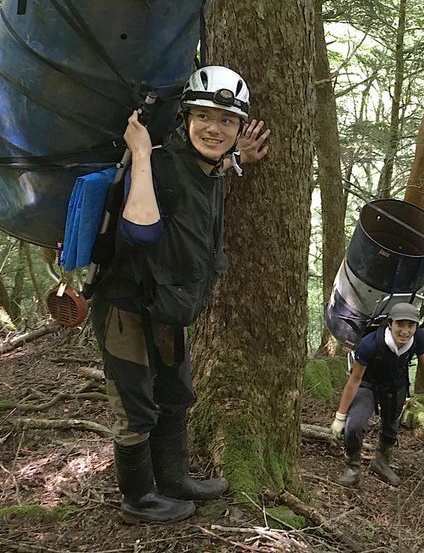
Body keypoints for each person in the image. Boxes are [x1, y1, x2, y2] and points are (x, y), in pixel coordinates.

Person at [90, 65, 269, 524]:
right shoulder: (163, 163)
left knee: (175, 395)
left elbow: (204, 178)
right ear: (185, 116)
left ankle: (173, 479)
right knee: (135, 407)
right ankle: (138, 499)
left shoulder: (205, 165)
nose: (214, 128)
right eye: (205, 116)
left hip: (168, 308)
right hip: (127, 305)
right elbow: (142, 230)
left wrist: (239, 159)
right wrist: (142, 155)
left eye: (226, 121)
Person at [329, 302, 424, 487]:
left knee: (391, 426)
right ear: (390, 323)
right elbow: (354, 380)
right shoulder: (370, 343)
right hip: (367, 384)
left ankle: (381, 462)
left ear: (416, 326)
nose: (405, 331)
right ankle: (352, 467)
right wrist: (340, 416)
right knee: (354, 424)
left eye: (411, 325)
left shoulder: (419, 338)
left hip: (395, 384)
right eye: (400, 324)